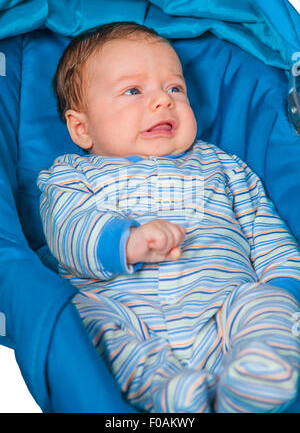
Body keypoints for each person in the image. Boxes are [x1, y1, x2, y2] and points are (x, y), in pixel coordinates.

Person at [37, 21, 300, 413]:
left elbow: (266, 232)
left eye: (175, 88)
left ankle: (254, 378)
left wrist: (284, 289)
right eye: (133, 91)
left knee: (267, 304)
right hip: (125, 316)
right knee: (83, 320)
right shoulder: (70, 175)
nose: (162, 101)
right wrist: (126, 241)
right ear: (82, 128)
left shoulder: (224, 167)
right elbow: (66, 231)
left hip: (223, 314)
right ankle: (165, 392)